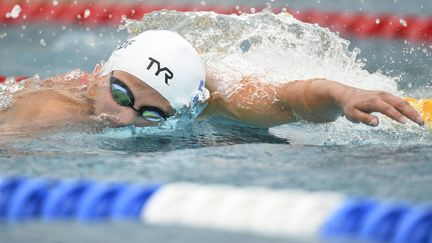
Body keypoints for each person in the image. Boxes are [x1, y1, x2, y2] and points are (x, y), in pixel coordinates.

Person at [0, 30, 424, 134]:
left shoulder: (214, 98)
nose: (126, 120)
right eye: (121, 94)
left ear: (187, 109)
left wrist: (343, 93)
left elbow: (288, 99)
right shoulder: (54, 106)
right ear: (98, 74)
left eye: (151, 114)